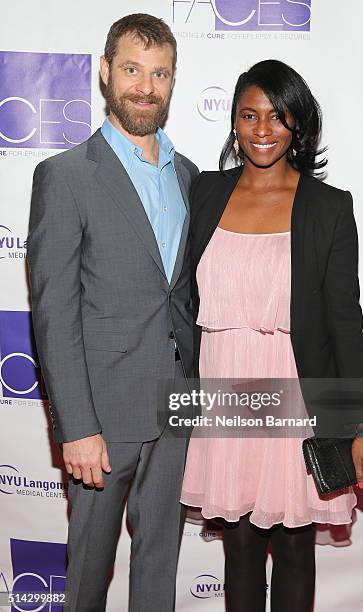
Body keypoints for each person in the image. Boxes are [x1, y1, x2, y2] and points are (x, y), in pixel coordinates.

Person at [180, 60, 363, 611]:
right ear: (235, 122)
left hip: (295, 397)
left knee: (295, 551)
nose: (263, 129)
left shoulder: (328, 206)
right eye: (250, 115)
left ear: (299, 124)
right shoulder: (204, 192)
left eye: (277, 115)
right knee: (239, 552)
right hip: (225, 391)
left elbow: (346, 320)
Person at [27, 13, 198, 612]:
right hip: (100, 416)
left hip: (177, 407)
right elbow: (53, 312)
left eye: (160, 74)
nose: (146, 86)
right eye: (132, 69)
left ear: (174, 82)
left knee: (160, 569)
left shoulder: (190, 178)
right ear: (105, 73)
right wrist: (75, 426)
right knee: (87, 579)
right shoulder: (66, 176)